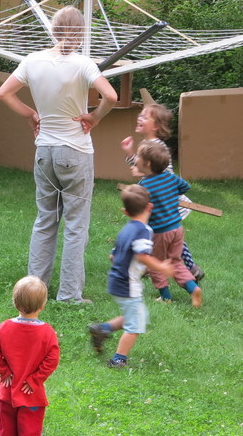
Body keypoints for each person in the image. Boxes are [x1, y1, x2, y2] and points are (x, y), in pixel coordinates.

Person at [0, 6, 118, 303]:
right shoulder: (83, 64)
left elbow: (3, 93)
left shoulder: (32, 61)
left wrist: (30, 114)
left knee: (45, 220)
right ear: (81, 33)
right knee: (76, 225)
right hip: (75, 152)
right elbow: (111, 96)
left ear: (53, 30)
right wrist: (95, 117)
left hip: (44, 153)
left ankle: (34, 291)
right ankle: (69, 295)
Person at [88, 184, 174, 368]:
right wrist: (162, 267)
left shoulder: (126, 230)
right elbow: (142, 255)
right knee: (135, 325)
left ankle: (102, 330)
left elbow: (113, 256)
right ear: (150, 207)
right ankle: (119, 359)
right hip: (128, 285)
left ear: (125, 212)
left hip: (116, 281)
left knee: (135, 315)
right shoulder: (144, 231)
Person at [0, 275, 60, 436]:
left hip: (7, 392)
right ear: (43, 305)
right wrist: (35, 380)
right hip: (31, 394)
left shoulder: (5, 327)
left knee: (5, 429)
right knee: (29, 430)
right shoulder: (47, 332)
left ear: (15, 302)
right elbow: (52, 359)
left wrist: (4, 371)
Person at [120, 102, 205, 282]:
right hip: (158, 200)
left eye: (144, 116)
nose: (139, 118)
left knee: (168, 234)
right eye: (140, 115)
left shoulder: (158, 146)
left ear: (156, 126)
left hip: (167, 201)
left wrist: (141, 174)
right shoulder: (148, 143)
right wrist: (130, 154)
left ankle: (191, 268)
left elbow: (161, 174)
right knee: (157, 233)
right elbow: (144, 166)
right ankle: (147, 265)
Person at [134, 140, 203, 307]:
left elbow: (139, 205)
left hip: (160, 232)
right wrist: (170, 192)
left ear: (147, 163)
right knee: (175, 261)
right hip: (177, 228)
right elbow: (185, 186)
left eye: (138, 156)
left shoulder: (144, 185)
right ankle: (193, 288)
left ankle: (165, 296)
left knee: (155, 264)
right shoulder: (171, 178)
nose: (135, 159)